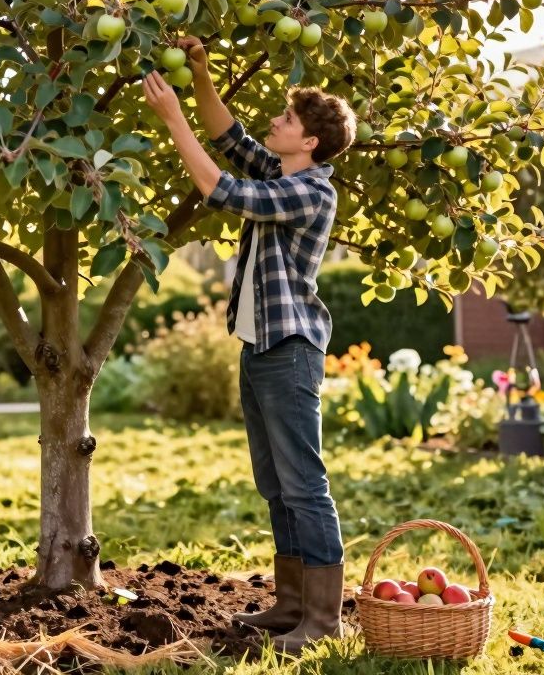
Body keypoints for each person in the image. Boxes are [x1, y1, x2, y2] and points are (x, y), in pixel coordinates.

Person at [141, 36, 357, 654]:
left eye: (287, 120)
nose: (275, 121)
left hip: (290, 350)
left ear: (310, 141)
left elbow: (222, 190)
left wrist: (172, 117)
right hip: (260, 346)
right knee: (275, 482)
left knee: (304, 483)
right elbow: (229, 137)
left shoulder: (312, 190)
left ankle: (324, 619)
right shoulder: (282, 168)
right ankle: (292, 605)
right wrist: (202, 76)